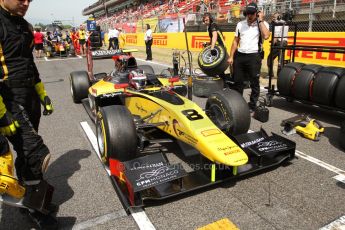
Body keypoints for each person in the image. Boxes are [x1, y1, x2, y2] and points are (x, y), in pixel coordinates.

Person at [0, 0, 57, 228]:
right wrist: (2, 114)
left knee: (26, 154)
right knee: (36, 153)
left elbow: (29, 62)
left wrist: (42, 93)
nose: (26, 3)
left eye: (30, 0)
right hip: (7, 97)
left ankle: (33, 203)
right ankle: (35, 208)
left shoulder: (24, 25)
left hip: (28, 93)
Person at [228, 2, 270, 112]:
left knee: (254, 81)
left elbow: (266, 36)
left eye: (252, 13)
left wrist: (260, 20)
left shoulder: (263, 24)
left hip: (254, 56)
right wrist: (231, 56)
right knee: (238, 81)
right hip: (240, 56)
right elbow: (235, 41)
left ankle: (252, 104)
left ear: (257, 13)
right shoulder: (240, 24)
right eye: (247, 13)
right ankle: (238, 104)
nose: (249, 16)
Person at [267, 12, 288, 77]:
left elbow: (276, 37)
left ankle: (271, 75)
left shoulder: (278, 24)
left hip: (279, 43)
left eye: (274, 17)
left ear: (278, 17)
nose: (273, 19)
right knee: (281, 60)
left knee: (269, 58)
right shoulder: (284, 22)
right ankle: (280, 75)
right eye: (273, 17)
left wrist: (272, 46)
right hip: (284, 42)